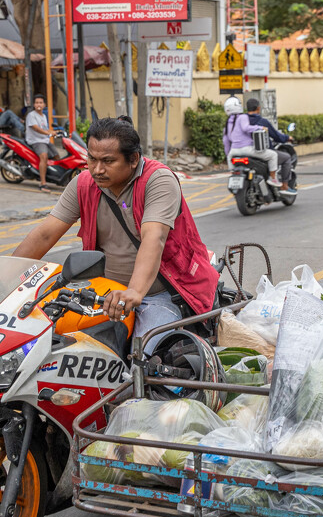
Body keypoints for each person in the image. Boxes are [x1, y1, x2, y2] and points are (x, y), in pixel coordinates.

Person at [12, 116, 218, 349]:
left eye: (108, 161)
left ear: (133, 160)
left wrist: (135, 291)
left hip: (157, 296)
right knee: (50, 345)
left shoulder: (158, 180)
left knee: (145, 357)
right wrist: (4, 281)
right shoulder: (83, 184)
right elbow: (44, 235)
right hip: (102, 295)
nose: (97, 169)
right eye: (92, 158)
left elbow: (155, 237)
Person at [222, 96, 284, 190]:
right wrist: (260, 128)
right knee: (273, 155)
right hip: (247, 149)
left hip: (233, 152)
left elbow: (226, 141)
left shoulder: (227, 123)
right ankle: (273, 178)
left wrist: (229, 155)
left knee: (234, 172)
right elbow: (246, 128)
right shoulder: (243, 117)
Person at [246, 97, 296, 193]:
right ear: (258, 108)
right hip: (261, 152)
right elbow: (276, 136)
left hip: (245, 152)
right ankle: (284, 186)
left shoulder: (242, 121)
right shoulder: (262, 122)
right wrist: (287, 138)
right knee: (286, 158)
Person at [25, 94, 59, 192]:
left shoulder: (43, 115)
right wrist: (48, 133)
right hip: (36, 141)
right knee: (44, 156)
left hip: (44, 140)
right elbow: (36, 128)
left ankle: (53, 176)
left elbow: (44, 128)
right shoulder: (31, 115)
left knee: (57, 156)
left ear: (44, 105)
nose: (38, 104)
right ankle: (43, 183)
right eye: (36, 103)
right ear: (34, 105)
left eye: (40, 102)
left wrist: (52, 132)